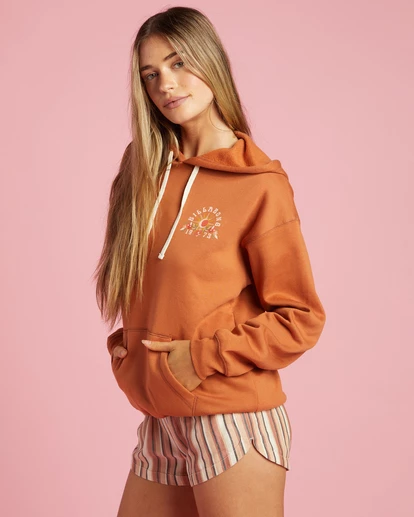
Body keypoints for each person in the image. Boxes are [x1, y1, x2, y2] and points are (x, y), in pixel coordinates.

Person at [94, 6, 326, 517]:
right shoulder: (140, 171)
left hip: (232, 416)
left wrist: (199, 359)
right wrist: (128, 356)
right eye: (150, 74)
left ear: (211, 60)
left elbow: (301, 318)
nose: (166, 85)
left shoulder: (259, 184)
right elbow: (144, 287)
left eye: (179, 63)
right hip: (162, 420)